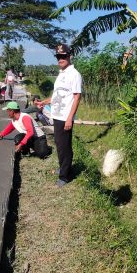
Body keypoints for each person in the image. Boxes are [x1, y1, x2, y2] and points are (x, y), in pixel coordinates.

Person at [37, 43, 82, 187]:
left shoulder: (74, 74)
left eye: (63, 56)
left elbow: (77, 97)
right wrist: (44, 102)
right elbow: (57, 95)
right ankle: (63, 167)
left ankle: (65, 176)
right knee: (59, 144)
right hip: (56, 115)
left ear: (69, 56)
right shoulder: (61, 74)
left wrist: (70, 118)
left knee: (65, 146)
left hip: (65, 117)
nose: (60, 59)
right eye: (58, 56)